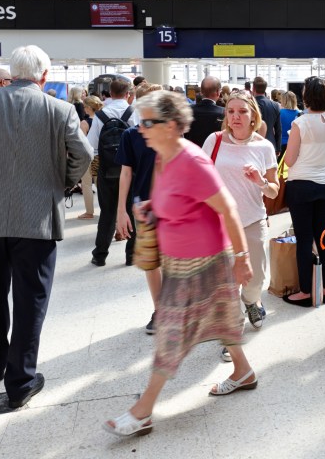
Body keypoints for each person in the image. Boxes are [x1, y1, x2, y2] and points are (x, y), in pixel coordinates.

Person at [0, 45, 92, 408]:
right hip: (36, 217)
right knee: (31, 298)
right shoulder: (60, 109)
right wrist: (62, 183)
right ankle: (21, 379)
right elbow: (84, 154)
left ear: (11, 73)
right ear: (44, 76)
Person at [103, 91, 257, 438]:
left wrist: (243, 258)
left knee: (171, 337)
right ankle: (243, 371)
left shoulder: (192, 161)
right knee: (222, 320)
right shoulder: (162, 155)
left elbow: (228, 209)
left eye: (147, 122)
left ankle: (143, 411)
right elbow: (174, 201)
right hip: (179, 259)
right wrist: (152, 211)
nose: (140, 129)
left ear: (171, 125)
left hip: (201, 262)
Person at [202, 92, 278, 329]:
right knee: (227, 282)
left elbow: (274, 191)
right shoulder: (213, 141)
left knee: (256, 278)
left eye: (242, 111)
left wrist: (260, 181)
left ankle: (251, 300)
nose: (236, 116)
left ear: (253, 115)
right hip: (220, 222)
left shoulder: (264, 147)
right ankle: (232, 334)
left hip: (253, 219)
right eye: (231, 111)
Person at [283, 76, 325, 307]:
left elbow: (290, 159)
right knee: (324, 238)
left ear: (307, 96)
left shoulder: (301, 123)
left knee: (304, 239)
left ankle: (306, 290)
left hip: (301, 184)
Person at [115, 84, 163, 335]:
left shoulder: (171, 132)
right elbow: (126, 173)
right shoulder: (131, 135)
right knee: (152, 262)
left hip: (172, 205)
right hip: (143, 205)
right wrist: (120, 211)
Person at [88, 76, 136, 266]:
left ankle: (100, 255)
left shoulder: (101, 115)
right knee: (131, 211)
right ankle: (131, 255)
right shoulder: (134, 113)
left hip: (107, 170)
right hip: (131, 170)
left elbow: (91, 144)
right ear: (128, 94)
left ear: (109, 92)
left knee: (107, 213)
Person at [76, 96, 102, 220]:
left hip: (88, 157)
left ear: (88, 108)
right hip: (101, 156)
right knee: (100, 185)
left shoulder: (84, 123)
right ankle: (106, 210)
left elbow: (82, 143)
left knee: (86, 184)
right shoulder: (102, 120)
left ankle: (89, 212)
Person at [186, 76, 224, 147]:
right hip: (214, 153)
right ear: (218, 92)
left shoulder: (188, 110)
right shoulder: (223, 113)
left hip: (193, 152)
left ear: (201, 92)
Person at [252, 77, 281, 150]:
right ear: (265, 89)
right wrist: (278, 147)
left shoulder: (250, 105)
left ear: (253, 88)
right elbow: (278, 129)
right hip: (271, 144)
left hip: (253, 144)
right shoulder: (275, 105)